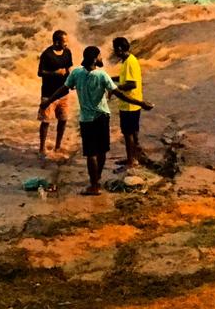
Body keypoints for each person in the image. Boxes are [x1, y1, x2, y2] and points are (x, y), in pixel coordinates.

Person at [41, 46, 152, 196]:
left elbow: (63, 89)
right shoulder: (102, 75)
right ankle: (96, 180)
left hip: (86, 119)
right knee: (101, 151)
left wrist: (48, 101)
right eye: (99, 56)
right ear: (95, 59)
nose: (101, 58)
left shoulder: (77, 73)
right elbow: (119, 94)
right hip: (102, 117)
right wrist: (141, 103)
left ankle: (94, 185)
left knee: (91, 154)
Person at [110, 37, 147, 170]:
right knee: (133, 133)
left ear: (120, 49)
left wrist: (115, 88)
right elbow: (123, 78)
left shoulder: (130, 62)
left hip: (130, 104)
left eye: (114, 49)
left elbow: (131, 84)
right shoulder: (127, 60)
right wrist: (110, 79)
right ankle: (132, 157)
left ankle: (131, 161)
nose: (114, 52)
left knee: (128, 134)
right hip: (131, 103)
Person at [37, 30, 73, 156]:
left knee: (63, 120)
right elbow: (40, 73)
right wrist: (55, 73)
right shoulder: (46, 54)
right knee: (45, 121)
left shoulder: (67, 52)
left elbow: (68, 69)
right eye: (64, 41)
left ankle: (58, 146)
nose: (66, 44)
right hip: (48, 93)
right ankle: (42, 148)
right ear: (57, 42)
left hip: (63, 93)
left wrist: (72, 81)